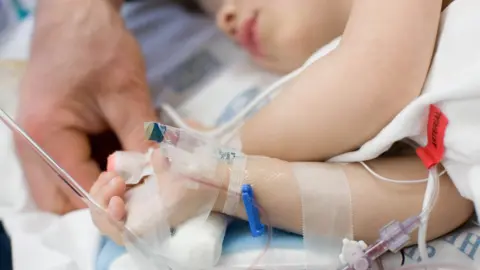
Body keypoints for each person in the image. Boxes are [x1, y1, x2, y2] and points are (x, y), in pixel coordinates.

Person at [88, 0, 473, 249]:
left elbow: (369, 84)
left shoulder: (383, 63)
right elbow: (434, 202)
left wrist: (218, 144)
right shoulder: (419, 111)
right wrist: (219, 180)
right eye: (215, 9)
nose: (224, 18)